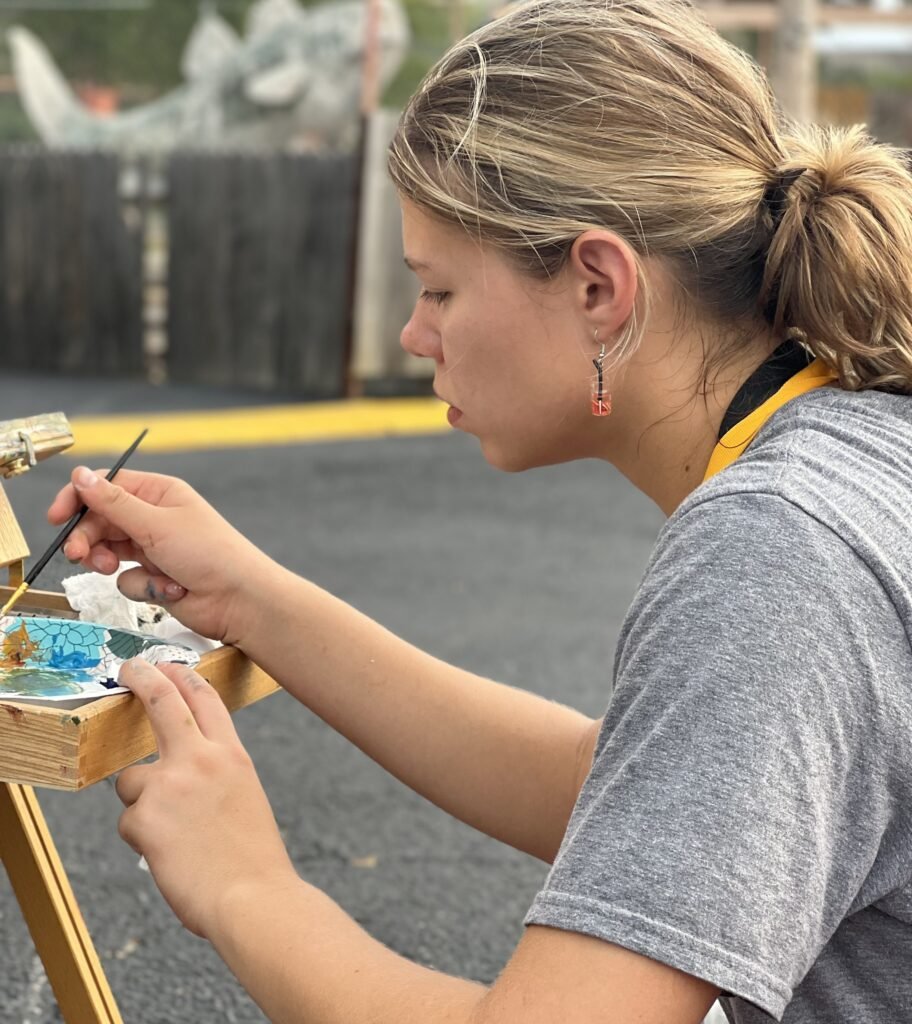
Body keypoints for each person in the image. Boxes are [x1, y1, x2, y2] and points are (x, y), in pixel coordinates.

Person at [48, 1, 912, 1021]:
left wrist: (245, 887)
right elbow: (652, 797)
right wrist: (250, 598)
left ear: (599, 286)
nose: (415, 334)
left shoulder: (776, 553)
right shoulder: (856, 449)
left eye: (440, 290)